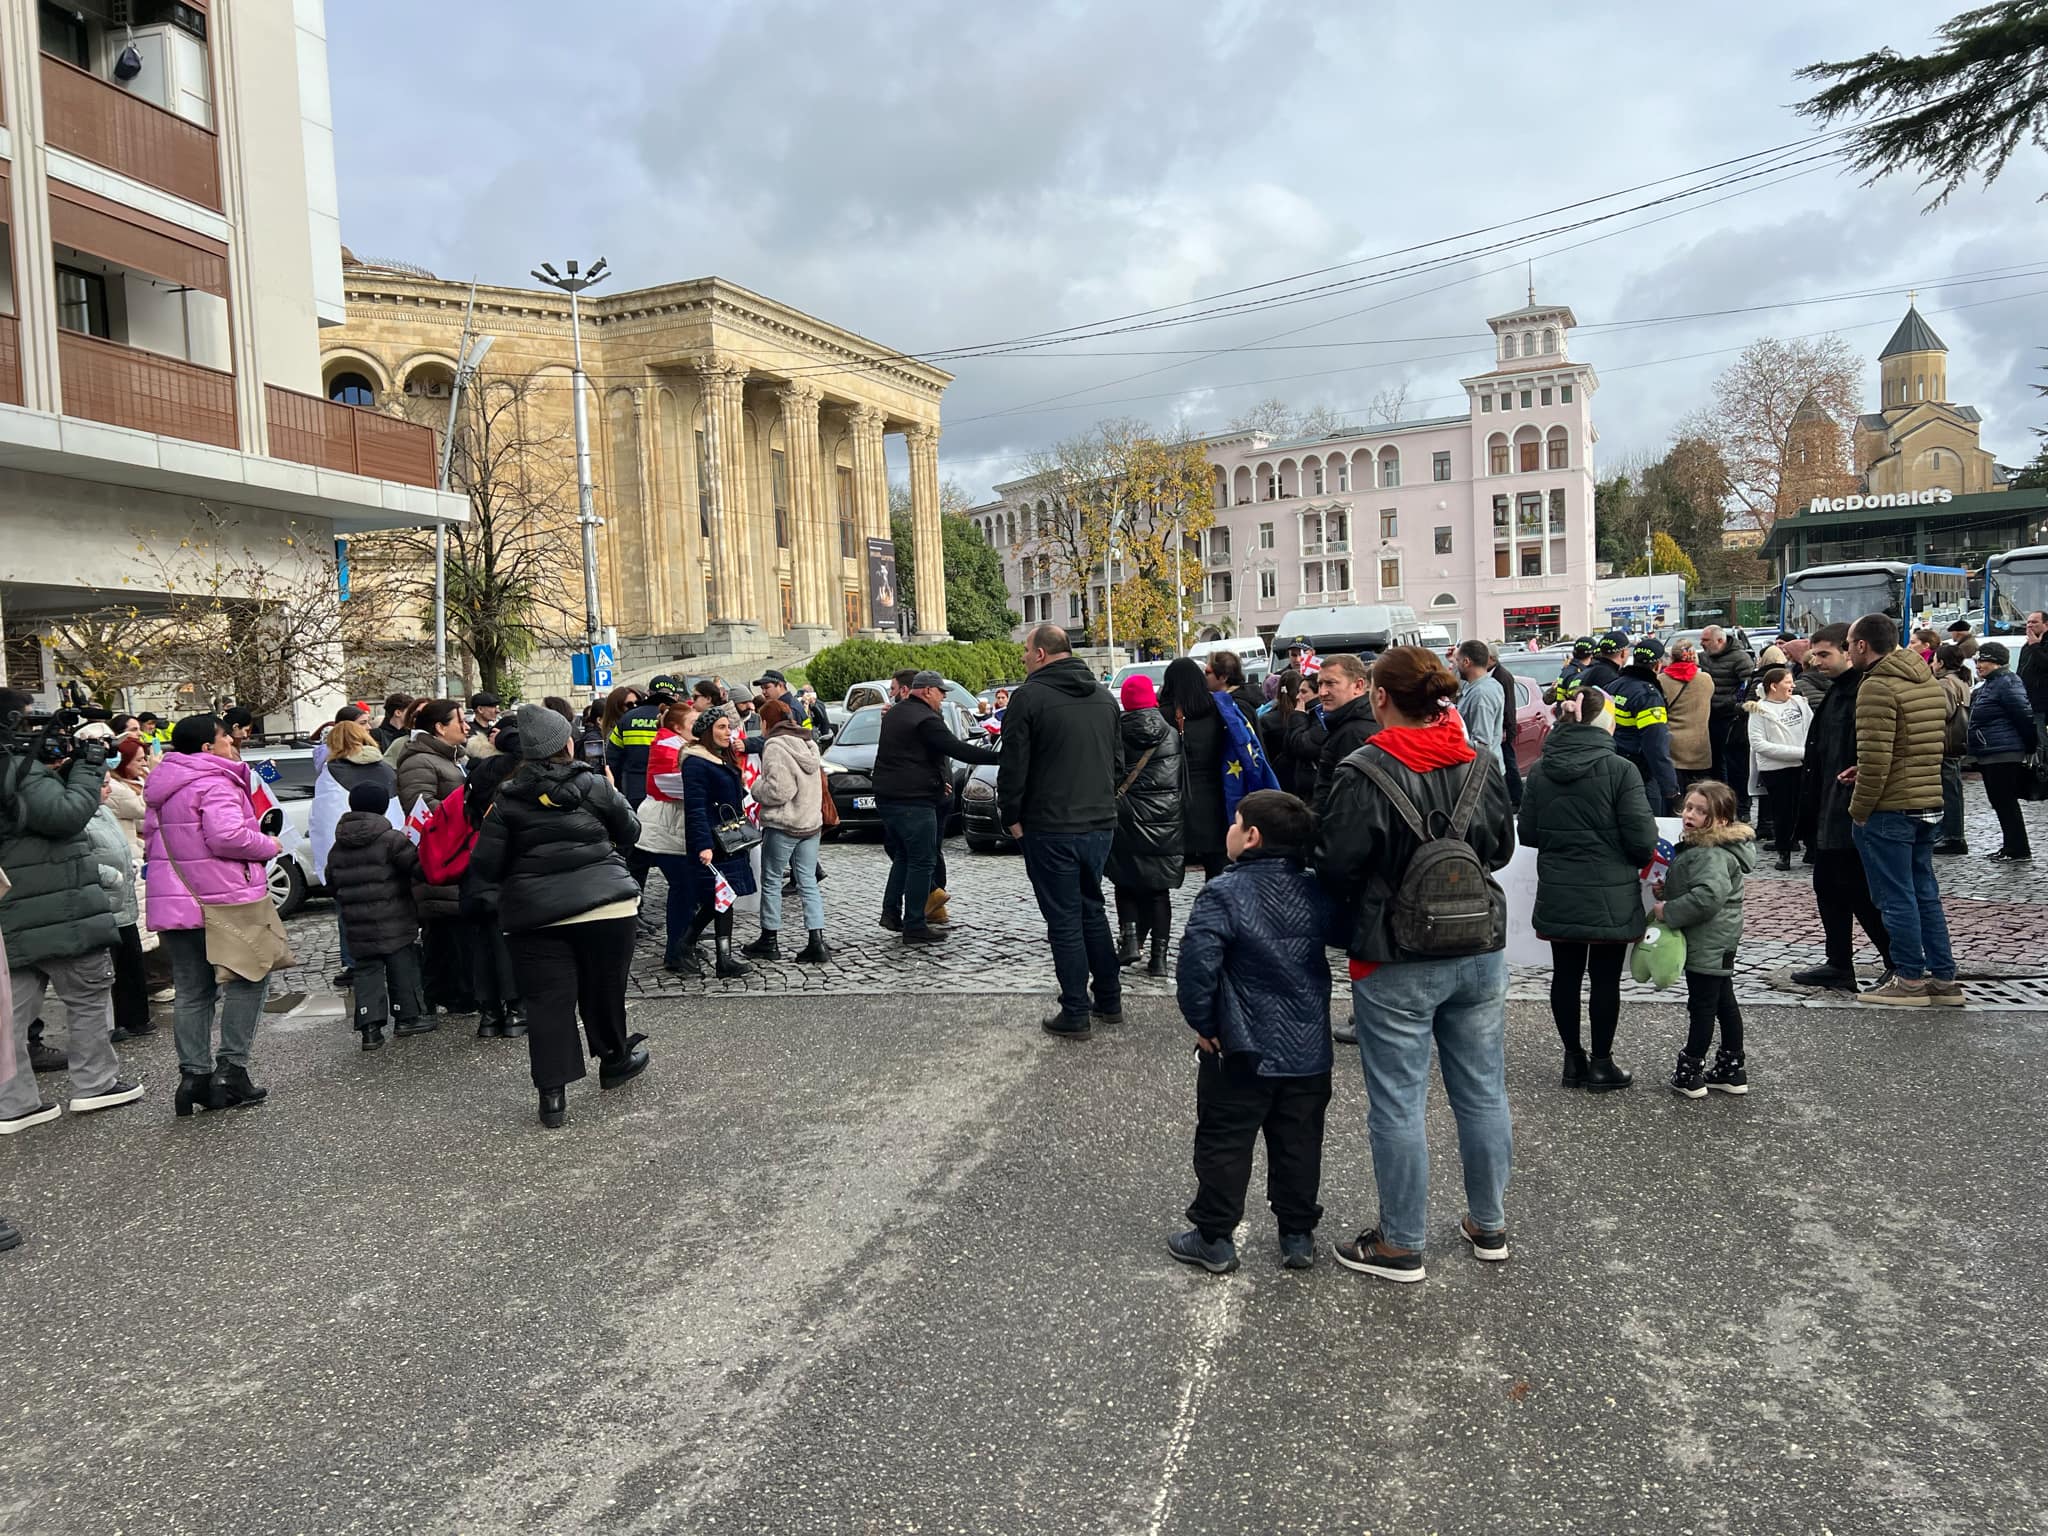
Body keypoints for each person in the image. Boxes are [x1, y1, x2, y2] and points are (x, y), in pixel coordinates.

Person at [1315, 647, 1517, 1283]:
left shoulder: (1364, 770)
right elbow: (1501, 848)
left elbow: (1337, 863)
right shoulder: (1478, 761)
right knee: (1482, 1090)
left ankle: (1402, 1242)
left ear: (1378, 697)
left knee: (1398, 1102)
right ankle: (1488, 1224)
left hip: (1394, 954)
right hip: (1477, 947)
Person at [1167, 790, 1335, 1275]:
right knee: (1300, 1140)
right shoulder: (1314, 890)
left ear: (1253, 836)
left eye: (1236, 822)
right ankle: (1297, 1234)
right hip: (1307, 1042)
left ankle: (1214, 1235)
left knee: (1224, 1138)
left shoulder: (1224, 892)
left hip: (1242, 1042)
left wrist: (1205, 1023)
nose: (1231, 829)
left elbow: (1197, 964)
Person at [468, 704, 647, 1129]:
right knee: (605, 989)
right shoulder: (594, 786)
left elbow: (485, 864)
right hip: (607, 906)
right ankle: (614, 1059)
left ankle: (553, 1096)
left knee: (548, 1002)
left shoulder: (506, 800)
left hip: (536, 916)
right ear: (567, 743)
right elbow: (631, 832)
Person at [1519, 683, 1659, 1092]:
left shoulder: (1542, 769)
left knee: (1564, 976)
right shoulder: (1620, 769)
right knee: (1604, 979)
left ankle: (1572, 1061)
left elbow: (1527, 831)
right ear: (1604, 721)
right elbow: (1642, 840)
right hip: (1610, 888)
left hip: (1560, 886)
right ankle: (1602, 1063)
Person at [142, 714, 281, 1116]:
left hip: (175, 900)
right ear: (208, 747)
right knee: (251, 977)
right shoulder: (215, 781)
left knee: (192, 991)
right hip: (223, 898)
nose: (233, 742)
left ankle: (193, 1079)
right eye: (226, 737)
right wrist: (267, 844)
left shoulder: (162, 787)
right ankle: (231, 1070)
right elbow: (227, 836)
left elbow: (154, 839)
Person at [997, 626, 1123, 1038]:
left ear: (1040, 654)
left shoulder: (1029, 697)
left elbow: (1013, 766)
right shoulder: (1105, 698)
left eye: (1025, 652)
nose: (1023, 659)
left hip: (1051, 825)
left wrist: (1011, 815)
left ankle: (1075, 1011)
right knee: (1092, 909)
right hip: (1099, 821)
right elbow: (1117, 764)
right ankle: (1109, 999)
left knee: (1065, 919)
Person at [1846, 613, 1961, 1007]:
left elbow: (1878, 758)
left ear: (1863, 645)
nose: (1848, 651)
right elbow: (1915, 746)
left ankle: (1909, 978)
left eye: (1849, 644)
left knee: (1895, 896)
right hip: (1927, 799)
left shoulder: (1877, 686)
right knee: (1925, 891)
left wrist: (1859, 809)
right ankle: (1944, 979)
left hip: (1890, 806)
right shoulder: (1926, 680)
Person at [1790, 624, 1892, 992]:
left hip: (1849, 807)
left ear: (1848, 651)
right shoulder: (1838, 691)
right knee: (1828, 886)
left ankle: (1895, 960)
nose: (1816, 662)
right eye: (1814, 655)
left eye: (1824, 654)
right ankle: (1839, 963)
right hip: (1826, 805)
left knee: (1856, 889)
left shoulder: (1863, 690)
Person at [875, 673, 1000, 947]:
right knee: (922, 861)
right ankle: (915, 924)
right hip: (914, 801)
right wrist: (1000, 756)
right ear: (927, 691)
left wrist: (935, 780)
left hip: (889, 798)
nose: (944, 697)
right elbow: (956, 749)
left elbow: (911, 756)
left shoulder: (895, 713)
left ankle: (891, 913)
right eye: (941, 692)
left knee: (905, 858)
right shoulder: (926, 719)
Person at [1652, 780, 1757, 1098]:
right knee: (1724, 1001)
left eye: (1701, 811)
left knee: (1702, 1006)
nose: (1690, 814)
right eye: (1688, 807)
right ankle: (1731, 1070)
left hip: (1707, 941)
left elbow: (1707, 896)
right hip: (1719, 939)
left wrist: (1667, 909)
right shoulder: (1707, 848)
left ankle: (1690, 1071)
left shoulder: (1709, 853)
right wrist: (1668, 890)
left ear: (1722, 820)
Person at [326, 781, 426, 1051]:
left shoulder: (338, 846)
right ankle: (406, 1017)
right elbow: (417, 869)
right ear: (382, 808)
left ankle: (370, 1028)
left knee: (367, 970)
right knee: (401, 965)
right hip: (395, 918)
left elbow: (331, 884)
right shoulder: (391, 839)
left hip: (358, 925)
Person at [395, 700, 474, 1016]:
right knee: (443, 935)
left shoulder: (453, 759)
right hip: (440, 858)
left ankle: (460, 992)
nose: (466, 726)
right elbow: (421, 808)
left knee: (457, 935)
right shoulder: (420, 762)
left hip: (459, 855)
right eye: (459, 721)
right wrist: (471, 805)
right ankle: (446, 995)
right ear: (440, 727)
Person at [1105, 674, 1185, 977]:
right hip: (1165, 820)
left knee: (1125, 882)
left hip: (1125, 818)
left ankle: (1129, 940)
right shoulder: (1171, 733)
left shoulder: (1117, 731)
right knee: (1158, 891)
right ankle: (1160, 959)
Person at [674, 707, 763, 977]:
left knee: (725, 898)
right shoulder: (696, 762)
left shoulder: (720, 758)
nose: (728, 733)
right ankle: (689, 945)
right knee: (719, 899)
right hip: (714, 842)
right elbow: (696, 807)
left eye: (729, 727)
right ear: (707, 732)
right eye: (721, 727)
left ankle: (719, 957)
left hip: (730, 839)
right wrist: (703, 845)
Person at [309, 719, 397, 988]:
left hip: (348, 851)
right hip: (387, 846)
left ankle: (354, 961)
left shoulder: (331, 772)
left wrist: (327, 865)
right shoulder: (385, 769)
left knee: (349, 910)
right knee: (390, 907)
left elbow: (322, 821)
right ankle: (393, 958)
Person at [747, 697, 830, 964]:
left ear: (766, 721)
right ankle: (816, 940)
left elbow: (778, 791)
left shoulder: (775, 745)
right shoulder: (808, 742)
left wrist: (754, 787)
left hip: (784, 824)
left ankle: (769, 939)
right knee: (807, 881)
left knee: (771, 881)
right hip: (810, 823)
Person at [459, 743, 527, 1038]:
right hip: (500, 882)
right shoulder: (505, 808)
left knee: (481, 948)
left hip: (471, 882)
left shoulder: (469, 803)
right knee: (505, 947)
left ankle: (489, 1014)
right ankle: (515, 1010)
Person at [82, 763, 152, 1042]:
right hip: (103, 902)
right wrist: (110, 875)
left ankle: (136, 1018)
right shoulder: (79, 818)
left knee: (131, 962)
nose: (108, 789)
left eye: (109, 782)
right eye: (103, 784)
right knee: (108, 969)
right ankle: (115, 1023)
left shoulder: (104, 812)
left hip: (123, 899)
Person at [638, 700, 708, 975]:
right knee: (684, 889)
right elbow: (679, 784)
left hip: (672, 825)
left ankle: (684, 943)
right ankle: (677, 950)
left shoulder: (676, 743)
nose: (698, 729)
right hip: (666, 826)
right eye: (693, 725)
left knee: (689, 889)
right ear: (677, 727)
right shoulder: (670, 746)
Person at [1161, 658, 1227, 878]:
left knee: (1160, 886)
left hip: (1174, 803)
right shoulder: (1218, 712)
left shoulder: (1163, 716)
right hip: (1214, 802)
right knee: (1217, 871)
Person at [1970, 641, 2035, 863]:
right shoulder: (1990, 684)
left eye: (1983, 660)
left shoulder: (2007, 682)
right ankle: (2011, 845)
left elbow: (2024, 715)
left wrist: (2030, 746)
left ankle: (2017, 849)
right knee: (1999, 801)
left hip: (2004, 752)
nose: (1978, 665)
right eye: (1977, 660)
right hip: (1991, 751)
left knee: (2005, 801)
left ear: (1996, 662)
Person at [1744, 666, 1812, 870]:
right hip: (1775, 769)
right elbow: (1759, 744)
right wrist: (1800, 753)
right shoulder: (1759, 709)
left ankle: (1811, 848)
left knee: (1808, 808)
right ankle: (1784, 851)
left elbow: (1812, 728)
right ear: (1774, 686)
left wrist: (1810, 753)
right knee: (1783, 812)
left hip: (1804, 766)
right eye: (1788, 682)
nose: (1793, 685)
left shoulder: (1800, 704)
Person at [1304, 653, 1379, 814]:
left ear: (1358, 686)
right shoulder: (1345, 725)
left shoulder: (1354, 732)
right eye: (1320, 684)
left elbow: (1352, 804)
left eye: (1330, 683)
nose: (1322, 692)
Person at [1612, 637, 1677, 818]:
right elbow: (1655, 745)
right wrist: (1670, 787)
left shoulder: (1612, 686)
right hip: (1641, 774)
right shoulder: (1648, 697)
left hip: (1611, 768)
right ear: (1658, 666)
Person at [605, 677, 675, 812]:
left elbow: (612, 761)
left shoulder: (628, 718)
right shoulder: (677, 718)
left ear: (649, 693)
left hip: (635, 790)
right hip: (669, 793)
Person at [1931, 643, 1974, 856]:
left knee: (1948, 790)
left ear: (1941, 663)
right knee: (1952, 788)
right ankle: (1952, 834)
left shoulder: (1945, 683)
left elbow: (1943, 713)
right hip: (1956, 742)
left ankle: (1951, 836)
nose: (1932, 664)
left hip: (1946, 742)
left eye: (1934, 660)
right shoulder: (1962, 680)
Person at [1699, 626, 1755, 788]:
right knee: (1714, 759)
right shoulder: (1703, 657)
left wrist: (1730, 702)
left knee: (1730, 761)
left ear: (1720, 641)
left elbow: (1748, 685)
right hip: (1709, 716)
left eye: (1706, 640)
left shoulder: (1740, 659)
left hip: (1729, 718)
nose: (1702, 643)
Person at [1659, 640, 1714, 794]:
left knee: (1676, 795)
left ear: (1672, 657)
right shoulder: (1706, 680)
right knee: (1700, 795)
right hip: (1699, 747)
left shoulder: (1661, 680)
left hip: (1672, 746)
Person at [1454, 641, 1505, 771]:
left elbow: (1481, 743)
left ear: (1466, 662)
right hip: (1488, 768)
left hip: (1482, 773)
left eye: (1457, 660)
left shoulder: (1481, 694)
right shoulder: (1490, 684)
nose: (1456, 665)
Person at [1486, 652, 1524, 808]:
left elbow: (1508, 705)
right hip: (1501, 727)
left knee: (1509, 764)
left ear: (1492, 659)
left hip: (1504, 728)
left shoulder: (1502, 676)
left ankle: (1517, 799)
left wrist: (1507, 728)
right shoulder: (1494, 674)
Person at [1204, 651, 1264, 722]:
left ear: (1224, 677)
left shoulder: (1236, 706)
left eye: (1207, 672)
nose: (1204, 676)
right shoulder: (1247, 696)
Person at [2018, 610, 2048, 728]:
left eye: (2034, 622)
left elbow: (2045, 664)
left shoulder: (2035, 645)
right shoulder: (2027, 645)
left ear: (2046, 625)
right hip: (2027, 701)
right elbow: (2021, 669)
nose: (2030, 625)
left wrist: (2035, 646)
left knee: (2041, 742)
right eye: (2028, 622)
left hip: (2042, 704)